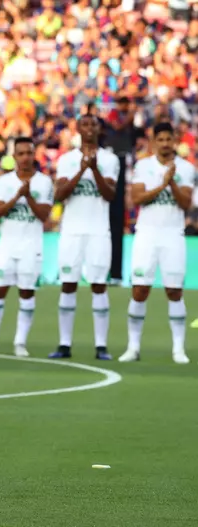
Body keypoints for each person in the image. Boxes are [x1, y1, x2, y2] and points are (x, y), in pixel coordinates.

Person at [120, 122, 193, 364]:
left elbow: (185, 203)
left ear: (175, 141)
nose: (164, 144)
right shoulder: (143, 166)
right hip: (147, 234)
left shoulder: (186, 168)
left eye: (168, 139)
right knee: (140, 289)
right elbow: (137, 198)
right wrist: (163, 184)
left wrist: (172, 183)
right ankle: (133, 347)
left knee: (174, 290)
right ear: (153, 142)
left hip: (173, 234)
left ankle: (178, 349)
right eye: (160, 139)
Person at [0, 138, 53, 357]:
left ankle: (20, 342)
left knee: (26, 293)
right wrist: (18, 195)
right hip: (7, 245)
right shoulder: (5, 181)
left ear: (34, 155)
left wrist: (28, 197)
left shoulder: (44, 182)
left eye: (29, 153)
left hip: (31, 246)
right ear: (15, 156)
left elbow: (44, 215)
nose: (25, 157)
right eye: (21, 153)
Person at [49, 115, 119, 361]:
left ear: (99, 129)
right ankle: (64, 344)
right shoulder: (67, 160)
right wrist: (82, 169)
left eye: (93, 125)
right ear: (78, 129)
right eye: (85, 125)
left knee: (99, 285)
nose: (89, 129)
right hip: (72, 231)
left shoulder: (109, 159)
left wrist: (94, 169)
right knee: (68, 284)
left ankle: (101, 346)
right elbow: (60, 194)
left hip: (98, 230)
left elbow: (110, 194)